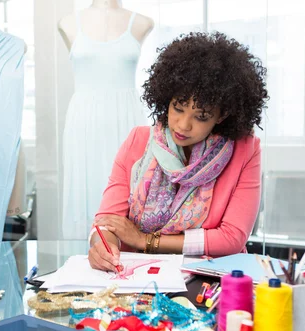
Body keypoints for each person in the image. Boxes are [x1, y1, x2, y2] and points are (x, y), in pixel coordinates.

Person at [88, 32, 268, 271]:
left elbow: (232, 238)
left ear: (222, 114)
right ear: (167, 99)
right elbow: (107, 222)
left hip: (209, 276)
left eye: (201, 116)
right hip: (138, 276)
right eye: (178, 108)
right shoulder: (138, 141)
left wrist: (146, 240)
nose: (183, 125)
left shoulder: (245, 150)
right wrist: (103, 246)